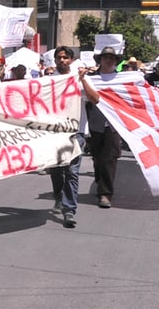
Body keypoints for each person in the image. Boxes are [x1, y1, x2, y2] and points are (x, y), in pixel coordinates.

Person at [48, 46, 88, 228]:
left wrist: (84, 80)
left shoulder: (80, 78)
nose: (62, 60)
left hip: (76, 132)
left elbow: (95, 99)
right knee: (56, 170)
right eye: (59, 58)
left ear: (71, 60)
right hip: (55, 132)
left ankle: (69, 209)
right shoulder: (48, 81)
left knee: (72, 172)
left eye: (65, 57)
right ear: (55, 60)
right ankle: (58, 196)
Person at [85, 47, 122, 209]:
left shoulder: (122, 79)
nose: (109, 60)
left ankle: (105, 194)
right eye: (105, 57)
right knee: (98, 159)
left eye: (112, 58)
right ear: (100, 60)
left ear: (115, 61)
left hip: (113, 125)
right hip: (95, 124)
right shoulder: (90, 79)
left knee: (109, 159)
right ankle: (101, 182)